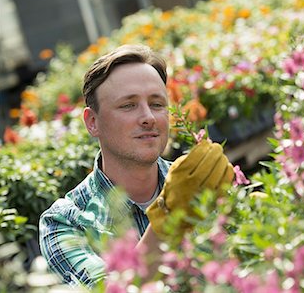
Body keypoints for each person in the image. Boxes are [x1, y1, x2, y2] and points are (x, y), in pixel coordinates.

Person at [39, 45, 233, 288]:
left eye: (157, 104)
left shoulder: (203, 184)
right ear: (92, 123)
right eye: (128, 105)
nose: (148, 117)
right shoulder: (66, 221)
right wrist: (169, 215)